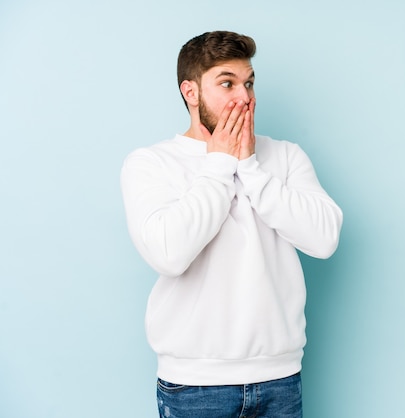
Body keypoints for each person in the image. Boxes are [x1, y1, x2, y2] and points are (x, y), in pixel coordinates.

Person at [120, 30, 343, 417]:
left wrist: (250, 168)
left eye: (249, 82)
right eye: (227, 83)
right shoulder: (151, 163)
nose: (245, 96)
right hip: (194, 386)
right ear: (191, 92)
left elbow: (324, 239)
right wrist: (220, 164)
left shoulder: (285, 156)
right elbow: (169, 254)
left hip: (281, 379)